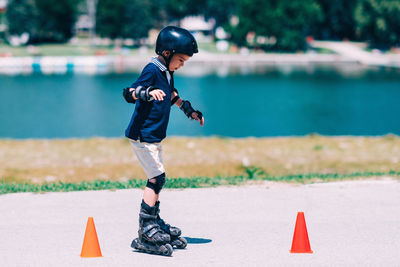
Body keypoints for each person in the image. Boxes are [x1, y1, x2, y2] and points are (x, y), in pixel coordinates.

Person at [122, 26, 204, 256]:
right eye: (180, 59)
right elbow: (129, 92)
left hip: (154, 136)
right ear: (167, 53)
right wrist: (147, 93)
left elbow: (173, 95)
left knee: (158, 178)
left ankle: (153, 222)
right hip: (142, 135)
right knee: (157, 179)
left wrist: (189, 111)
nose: (182, 64)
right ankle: (146, 228)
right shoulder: (152, 69)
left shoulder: (167, 72)